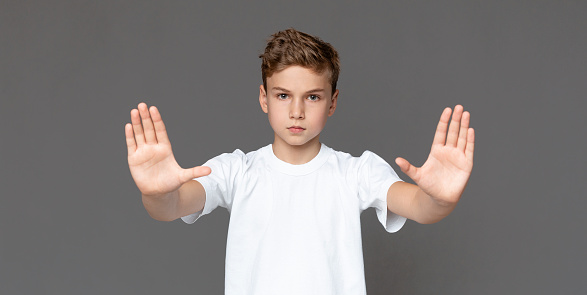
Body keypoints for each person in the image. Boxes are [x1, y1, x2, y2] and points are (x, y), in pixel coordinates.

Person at [124, 28, 474, 294]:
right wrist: (156, 193)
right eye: (282, 95)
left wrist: (439, 198)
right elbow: (171, 206)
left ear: (332, 102)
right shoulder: (236, 171)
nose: (296, 111)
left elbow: (420, 206)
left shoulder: (356, 173)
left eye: (312, 96)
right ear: (264, 97)